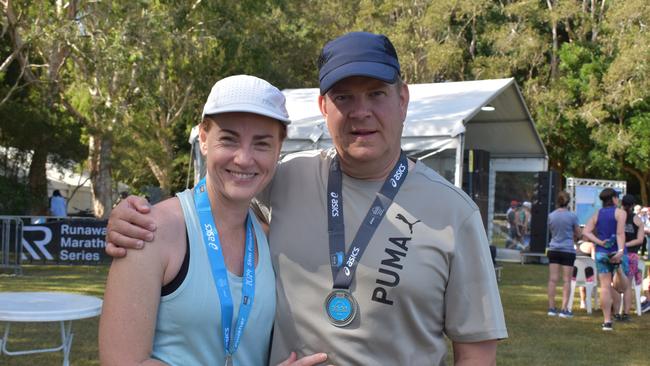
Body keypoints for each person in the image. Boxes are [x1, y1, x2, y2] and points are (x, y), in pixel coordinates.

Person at [105, 32, 507, 364]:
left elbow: (475, 351)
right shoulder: (286, 179)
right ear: (323, 107)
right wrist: (131, 215)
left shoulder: (455, 213)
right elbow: (218, 199)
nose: (360, 111)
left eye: (376, 94)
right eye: (344, 97)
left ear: (402, 99)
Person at [98, 75, 326, 366]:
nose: (244, 159)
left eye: (262, 144)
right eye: (229, 139)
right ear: (204, 139)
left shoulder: (269, 238)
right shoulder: (149, 232)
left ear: (279, 148)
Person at [582, 188, 628, 331]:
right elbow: (620, 233)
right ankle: (619, 269)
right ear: (614, 198)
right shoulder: (621, 213)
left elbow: (586, 231)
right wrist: (620, 251)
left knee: (605, 287)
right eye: (617, 197)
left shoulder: (597, 214)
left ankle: (607, 321)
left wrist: (599, 242)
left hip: (602, 253)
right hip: (617, 251)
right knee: (622, 287)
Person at [546, 191, 581, 318]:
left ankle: (551, 308)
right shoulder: (572, 216)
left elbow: (552, 231)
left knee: (552, 279)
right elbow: (578, 233)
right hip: (567, 250)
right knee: (566, 281)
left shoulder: (551, 215)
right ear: (568, 202)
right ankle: (564, 309)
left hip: (554, 248)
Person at [620, 195, 645, 318]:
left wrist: (622, 245)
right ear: (633, 205)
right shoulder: (638, 220)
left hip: (618, 253)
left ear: (622, 203)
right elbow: (640, 240)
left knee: (615, 283)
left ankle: (615, 311)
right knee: (628, 285)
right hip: (631, 255)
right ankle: (626, 313)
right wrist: (627, 244)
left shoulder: (617, 216)